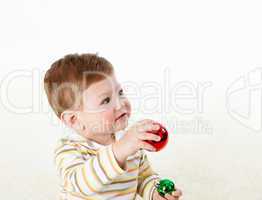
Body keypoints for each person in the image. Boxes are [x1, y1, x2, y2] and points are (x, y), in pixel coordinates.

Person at [44, 53, 182, 200]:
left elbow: (143, 178)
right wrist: (120, 150)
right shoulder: (70, 149)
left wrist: (155, 192)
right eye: (106, 100)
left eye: (120, 92)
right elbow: (80, 185)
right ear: (74, 120)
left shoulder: (128, 142)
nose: (120, 103)